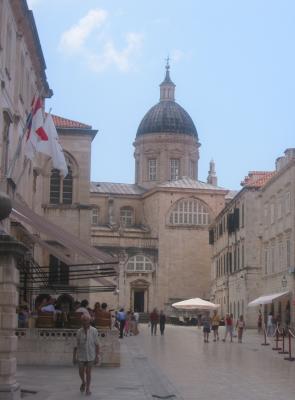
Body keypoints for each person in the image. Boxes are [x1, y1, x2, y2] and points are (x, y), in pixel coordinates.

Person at [73, 315, 99, 396]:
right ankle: (83, 382)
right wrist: (74, 357)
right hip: (81, 355)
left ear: (89, 321)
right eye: (83, 320)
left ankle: (88, 388)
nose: (85, 322)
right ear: (81, 321)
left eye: (86, 320)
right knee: (80, 371)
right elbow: (76, 345)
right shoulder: (79, 331)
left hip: (90, 355)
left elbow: (97, 344)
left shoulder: (94, 330)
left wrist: (97, 356)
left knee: (88, 372)